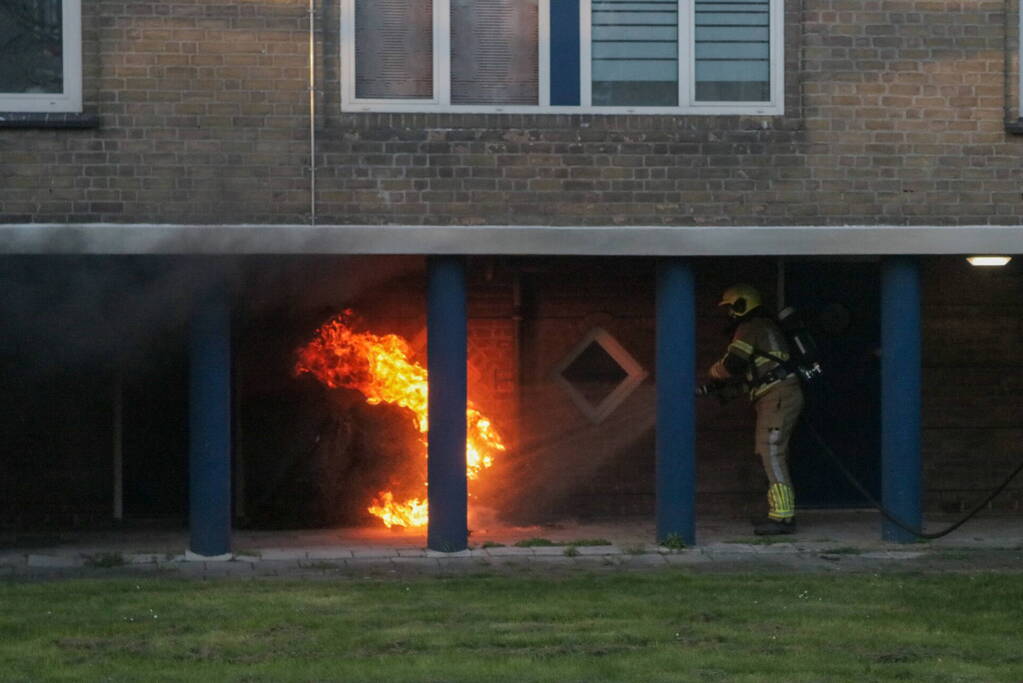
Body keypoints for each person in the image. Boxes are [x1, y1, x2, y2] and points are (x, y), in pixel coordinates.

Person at [706, 284, 804, 535]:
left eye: (730, 307)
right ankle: (781, 513)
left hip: (778, 397)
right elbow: (755, 378)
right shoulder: (763, 327)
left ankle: (783, 517)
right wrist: (720, 393)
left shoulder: (750, 327)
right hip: (776, 394)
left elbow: (733, 365)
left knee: (771, 451)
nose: (728, 313)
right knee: (769, 451)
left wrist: (712, 373)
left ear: (742, 304)